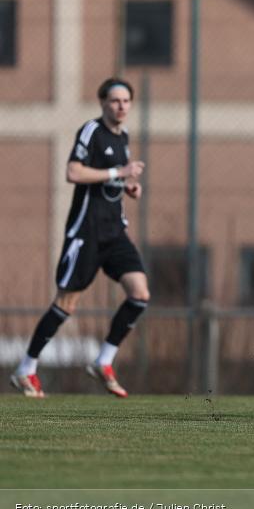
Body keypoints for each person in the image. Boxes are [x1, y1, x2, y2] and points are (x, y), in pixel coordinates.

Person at [10, 78, 150, 399]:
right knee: (66, 304)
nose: (121, 106)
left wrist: (126, 187)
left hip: (115, 233)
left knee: (139, 293)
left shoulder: (123, 137)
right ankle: (25, 369)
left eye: (126, 101)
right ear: (102, 102)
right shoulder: (92, 131)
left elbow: (107, 180)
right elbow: (74, 173)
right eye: (115, 100)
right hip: (86, 233)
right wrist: (119, 173)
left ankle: (103, 361)